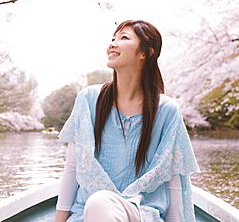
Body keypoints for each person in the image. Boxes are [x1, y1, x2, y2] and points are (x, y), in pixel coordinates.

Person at [55, 20, 199, 222]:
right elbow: (72, 168)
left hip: (140, 214)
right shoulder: (88, 99)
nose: (113, 44)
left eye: (123, 38)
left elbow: (172, 178)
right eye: (113, 39)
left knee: (100, 201)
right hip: (87, 213)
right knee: (98, 203)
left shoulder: (167, 110)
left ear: (145, 53)